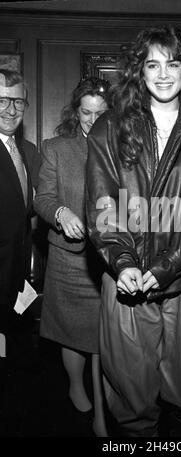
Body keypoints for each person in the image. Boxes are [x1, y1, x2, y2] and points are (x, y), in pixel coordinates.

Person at [86, 25, 181, 437]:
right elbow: (104, 205)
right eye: (153, 64)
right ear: (140, 71)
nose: (164, 73)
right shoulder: (109, 129)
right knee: (132, 402)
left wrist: (168, 262)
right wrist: (122, 260)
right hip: (126, 282)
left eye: (173, 63)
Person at [34, 77, 110, 436]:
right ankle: (76, 386)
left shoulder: (124, 149)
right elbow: (43, 198)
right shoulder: (56, 148)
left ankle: (103, 414)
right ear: (75, 111)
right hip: (69, 258)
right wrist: (62, 214)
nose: (92, 121)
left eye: (100, 113)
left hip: (110, 260)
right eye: (86, 112)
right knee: (71, 333)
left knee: (102, 336)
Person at [0, 69, 41, 371]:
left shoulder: (26, 151)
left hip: (16, 277)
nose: (10, 110)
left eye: (18, 102)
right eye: (2, 100)